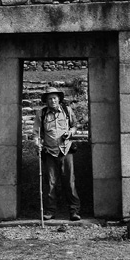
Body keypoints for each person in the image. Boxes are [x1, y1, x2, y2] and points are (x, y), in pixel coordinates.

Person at [33, 87, 81, 221]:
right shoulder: (41, 114)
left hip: (66, 150)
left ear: (59, 99)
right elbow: (36, 133)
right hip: (49, 152)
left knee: (70, 182)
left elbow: (75, 125)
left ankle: (74, 211)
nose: (52, 100)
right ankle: (50, 212)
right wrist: (37, 143)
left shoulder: (67, 110)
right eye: (49, 98)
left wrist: (70, 132)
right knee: (51, 183)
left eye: (54, 98)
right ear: (46, 101)